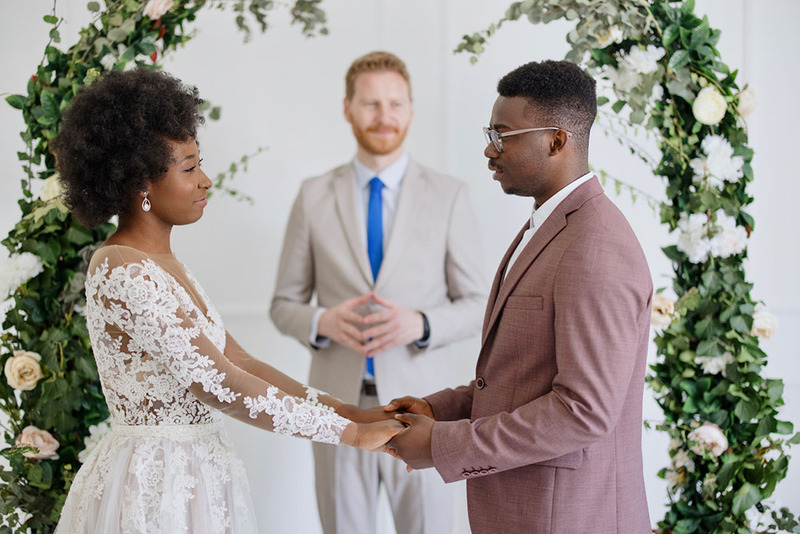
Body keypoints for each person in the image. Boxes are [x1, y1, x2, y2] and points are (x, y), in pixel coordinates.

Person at [51, 68, 403, 534]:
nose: (207, 181)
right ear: (142, 185)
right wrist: (353, 434)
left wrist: (349, 411)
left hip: (198, 472)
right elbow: (219, 383)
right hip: (156, 488)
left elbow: (239, 360)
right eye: (190, 168)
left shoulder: (163, 262)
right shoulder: (122, 267)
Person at [386, 60, 653, 534]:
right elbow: (523, 376)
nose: (490, 150)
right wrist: (440, 410)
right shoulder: (551, 226)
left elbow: (583, 412)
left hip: (569, 517)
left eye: (502, 134)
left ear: (556, 140)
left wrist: (444, 445)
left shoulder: (596, 246)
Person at [270, 51, 487, 534]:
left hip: (423, 410)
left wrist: (423, 323)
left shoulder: (450, 195)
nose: (383, 116)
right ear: (347, 108)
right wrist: (319, 322)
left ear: (410, 109)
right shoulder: (312, 195)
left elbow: (478, 304)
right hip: (334, 409)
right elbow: (283, 304)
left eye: (394, 104)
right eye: (370, 104)